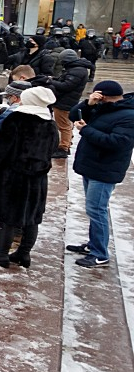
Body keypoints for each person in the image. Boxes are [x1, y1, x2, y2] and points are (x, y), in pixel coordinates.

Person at [0, 87, 58, 268]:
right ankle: (23, 254)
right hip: (37, 177)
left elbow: (1, 146)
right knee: (31, 217)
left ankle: (1, 253)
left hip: (12, 175)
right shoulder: (49, 122)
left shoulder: (17, 119)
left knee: (7, 215)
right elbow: (52, 148)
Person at [66, 81, 134, 268]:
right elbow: (73, 115)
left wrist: (86, 130)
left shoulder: (128, 116)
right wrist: (88, 104)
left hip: (105, 169)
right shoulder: (103, 108)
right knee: (93, 209)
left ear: (103, 95)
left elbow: (117, 142)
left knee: (97, 210)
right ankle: (93, 245)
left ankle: (100, 253)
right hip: (93, 165)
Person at [47, 49, 93, 159]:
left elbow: (66, 86)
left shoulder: (77, 70)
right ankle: (66, 143)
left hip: (65, 102)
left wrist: (50, 82)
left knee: (63, 125)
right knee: (66, 124)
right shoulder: (77, 69)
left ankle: (63, 148)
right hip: (68, 100)